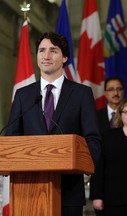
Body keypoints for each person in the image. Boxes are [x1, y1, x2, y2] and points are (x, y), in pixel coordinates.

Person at [5, 32, 102, 216]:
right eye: (42, 50)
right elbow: (12, 138)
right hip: (28, 192)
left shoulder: (82, 94)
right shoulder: (23, 95)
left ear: (65, 57)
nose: (46, 56)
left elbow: (93, 139)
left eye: (53, 51)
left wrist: (87, 164)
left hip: (69, 192)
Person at [89, 77, 125, 215]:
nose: (115, 92)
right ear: (105, 93)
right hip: (102, 175)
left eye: (119, 89)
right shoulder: (95, 117)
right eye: (111, 89)